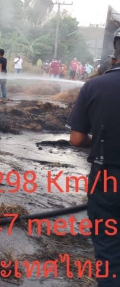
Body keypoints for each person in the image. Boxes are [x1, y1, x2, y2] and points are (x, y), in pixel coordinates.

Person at [68, 44, 120, 286]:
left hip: (107, 178)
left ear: (114, 57)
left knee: (109, 252)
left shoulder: (93, 86)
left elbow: (77, 139)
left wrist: (98, 140)